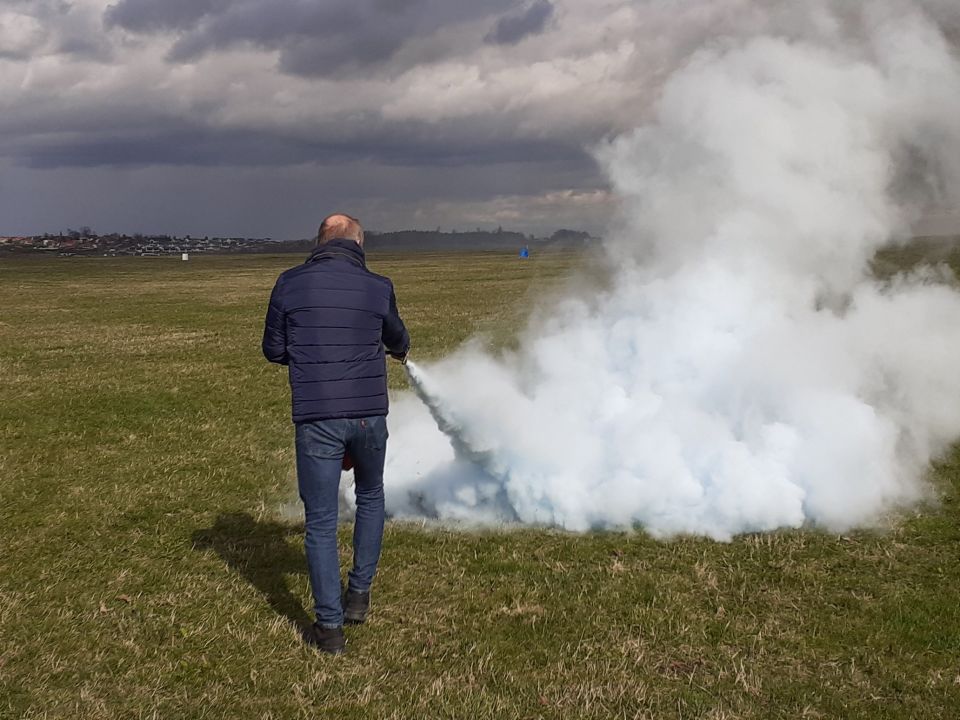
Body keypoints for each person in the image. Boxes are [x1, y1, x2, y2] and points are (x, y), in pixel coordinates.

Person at [262, 213, 410, 654]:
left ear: (319, 242)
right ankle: (358, 596)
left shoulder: (289, 283)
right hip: (370, 415)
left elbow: (273, 349)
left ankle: (329, 629)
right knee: (371, 496)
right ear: (358, 244)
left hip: (318, 415)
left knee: (321, 521)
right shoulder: (379, 286)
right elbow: (398, 339)